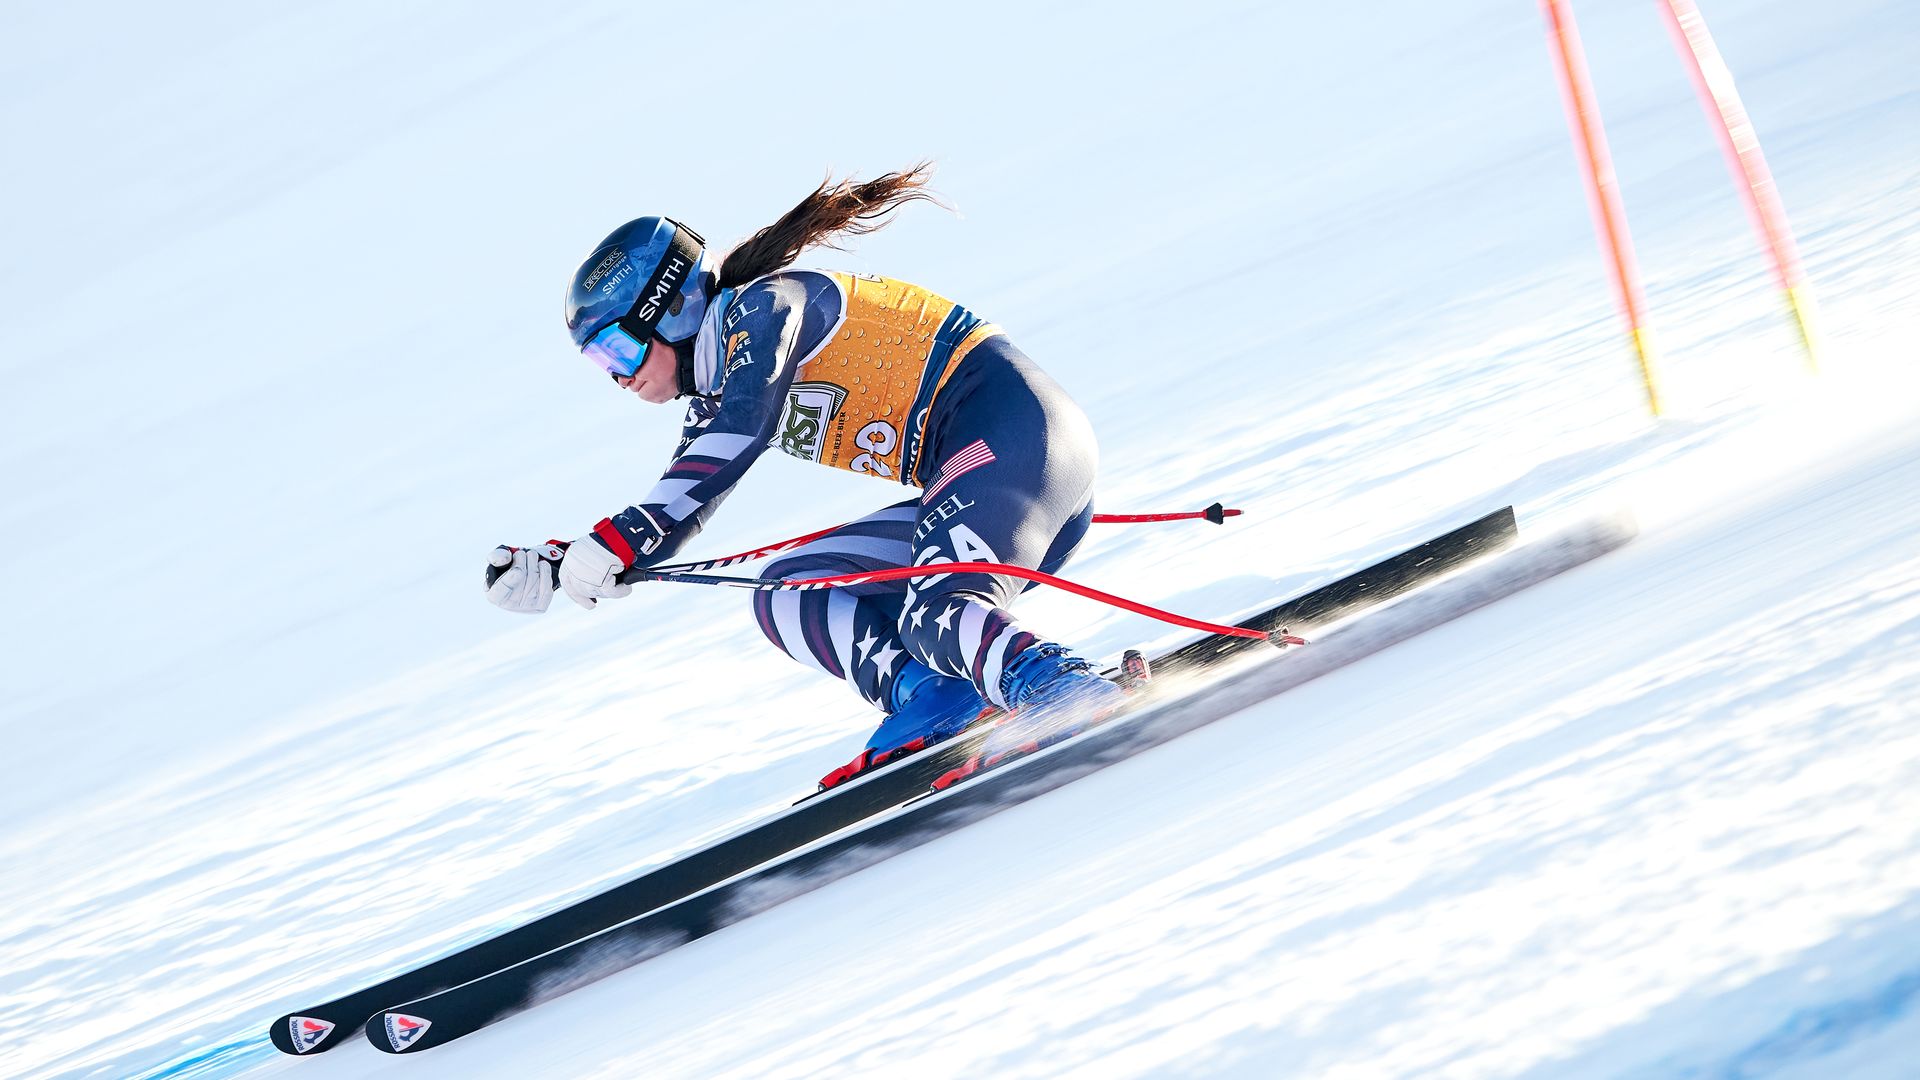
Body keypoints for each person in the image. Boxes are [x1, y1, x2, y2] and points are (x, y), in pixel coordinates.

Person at [485, 165, 1125, 784]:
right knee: (786, 592)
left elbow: (731, 439)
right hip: (980, 477)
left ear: (672, 310)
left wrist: (617, 538)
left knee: (937, 609)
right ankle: (937, 699)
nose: (619, 377)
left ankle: (1058, 686)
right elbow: (688, 499)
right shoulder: (720, 383)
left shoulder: (762, 310)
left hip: (1017, 443)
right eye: (599, 362)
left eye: (619, 349)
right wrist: (575, 557)